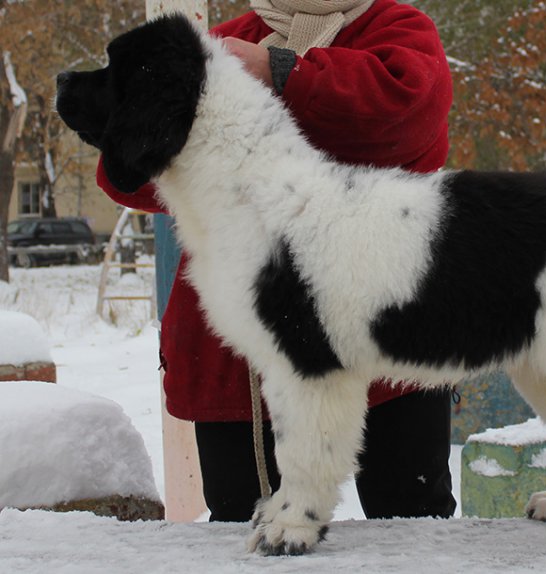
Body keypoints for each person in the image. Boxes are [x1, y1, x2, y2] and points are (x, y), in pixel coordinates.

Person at [96, 0, 457, 522]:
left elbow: (405, 116)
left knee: (412, 520)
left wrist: (277, 72)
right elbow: (134, 176)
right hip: (242, 356)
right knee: (242, 526)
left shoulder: (395, 28)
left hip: (384, 335)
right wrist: (130, 119)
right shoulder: (218, 43)